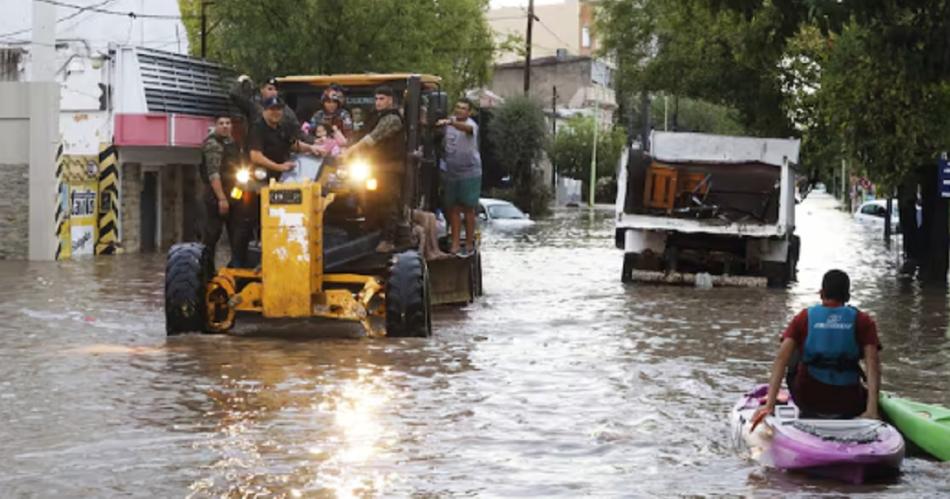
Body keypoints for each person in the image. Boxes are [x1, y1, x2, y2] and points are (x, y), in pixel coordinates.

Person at [750, 269, 882, 431]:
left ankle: (789, 407)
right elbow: (872, 364)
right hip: (848, 402)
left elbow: (781, 360)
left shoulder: (803, 318)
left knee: (793, 351)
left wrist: (769, 406)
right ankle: (870, 409)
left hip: (808, 399)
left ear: (821, 293)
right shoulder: (863, 321)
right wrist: (872, 410)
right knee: (863, 378)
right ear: (847, 296)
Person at [342, 86, 406, 253]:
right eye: (376, 99)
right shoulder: (374, 116)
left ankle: (388, 240)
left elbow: (372, 138)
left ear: (390, 100)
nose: (378, 102)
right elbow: (361, 134)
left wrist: (350, 151)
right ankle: (371, 235)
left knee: (388, 203)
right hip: (374, 167)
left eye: (382, 99)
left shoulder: (392, 118)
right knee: (369, 201)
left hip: (390, 168)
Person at [436, 98, 481, 255]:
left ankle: (468, 243)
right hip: (451, 172)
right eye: (458, 107)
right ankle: (455, 243)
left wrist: (451, 123)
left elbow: (467, 129)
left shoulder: (471, 125)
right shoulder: (447, 124)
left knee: (468, 208)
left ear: (469, 112)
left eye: (463, 108)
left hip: (470, 172)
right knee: (453, 208)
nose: (459, 110)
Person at [198, 114, 240, 262]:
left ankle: (236, 266)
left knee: (238, 233)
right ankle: (206, 268)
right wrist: (221, 199)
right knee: (212, 234)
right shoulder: (212, 144)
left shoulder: (232, 143)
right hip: (216, 195)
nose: (225, 126)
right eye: (221, 123)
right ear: (216, 126)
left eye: (228, 123)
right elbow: (213, 174)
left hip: (233, 192)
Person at [229, 75, 307, 143]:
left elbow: (297, 131)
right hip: (257, 146)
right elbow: (234, 94)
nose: (273, 92)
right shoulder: (254, 106)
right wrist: (241, 79)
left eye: (275, 90)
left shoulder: (285, 110)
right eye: (270, 89)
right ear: (262, 90)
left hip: (277, 147)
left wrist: (311, 142)